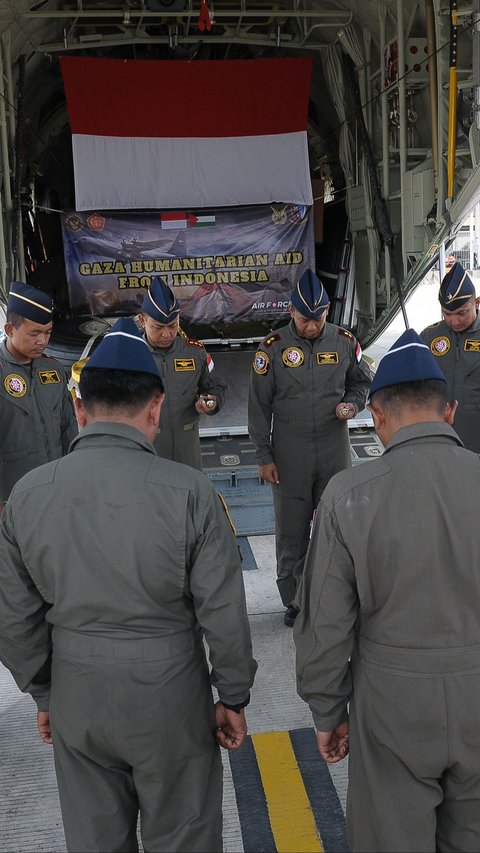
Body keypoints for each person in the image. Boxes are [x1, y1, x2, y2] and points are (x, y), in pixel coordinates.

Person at [0, 317, 257, 853]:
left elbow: (13, 615)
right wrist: (232, 695)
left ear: (78, 408)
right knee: (184, 835)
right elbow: (224, 611)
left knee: (95, 840)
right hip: (172, 695)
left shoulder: (28, 495)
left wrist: (45, 690)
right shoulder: (190, 492)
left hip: (78, 694)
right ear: (157, 409)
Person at [294, 327, 480, 853]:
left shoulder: (348, 494)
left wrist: (328, 710)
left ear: (375, 416)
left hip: (393, 705)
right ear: (450, 412)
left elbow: (325, 621)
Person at [248, 269, 372, 627]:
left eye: (318, 319)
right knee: (292, 530)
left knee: (340, 524)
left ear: (327, 312)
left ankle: (341, 595)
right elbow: (258, 408)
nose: (312, 327)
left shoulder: (346, 342)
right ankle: (296, 599)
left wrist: (352, 405)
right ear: (292, 312)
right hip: (290, 452)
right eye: (305, 320)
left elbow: (361, 383)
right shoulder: (271, 349)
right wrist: (263, 456)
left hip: (335, 446)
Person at [0, 281, 78, 512]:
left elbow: (68, 428)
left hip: (55, 491)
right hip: (12, 498)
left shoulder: (53, 370)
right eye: (34, 333)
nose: (43, 341)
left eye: (48, 332)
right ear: (10, 330)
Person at [138, 275, 228, 469]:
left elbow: (217, 386)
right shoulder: (129, 355)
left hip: (188, 450)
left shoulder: (195, 352)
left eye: (173, 326)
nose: (167, 334)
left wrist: (211, 402)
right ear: (142, 321)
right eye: (158, 327)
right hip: (145, 450)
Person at [420, 260, 480, 451]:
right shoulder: (429, 337)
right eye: (447, 313)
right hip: (438, 435)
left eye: (462, 313)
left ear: (476, 303)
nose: (454, 320)